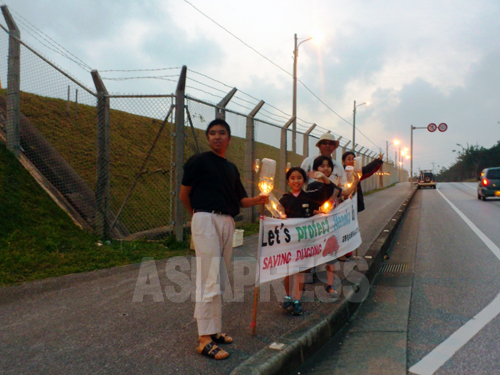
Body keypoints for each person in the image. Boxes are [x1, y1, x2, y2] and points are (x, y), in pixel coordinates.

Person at [179, 119, 268, 360]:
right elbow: (184, 194)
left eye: (221, 133)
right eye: (212, 133)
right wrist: (198, 217)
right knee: (209, 277)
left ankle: (213, 329)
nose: (217, 137)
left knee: (219, 279)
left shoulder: (231, 168)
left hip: (228, 220)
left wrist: (260, 200)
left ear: (229, 138)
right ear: (208, 138)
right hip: (206, 218)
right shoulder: (198, 161)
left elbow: (240, 200)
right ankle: (203, 339)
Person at [278, 167, 334, 315]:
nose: (296, 181)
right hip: (288, 241)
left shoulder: (309, 197)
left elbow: (328, 190)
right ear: (288, 181)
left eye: (299, 178)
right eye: (292, 178)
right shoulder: (284, 199)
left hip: (305, 242)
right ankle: (287, 296)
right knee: (288, 270)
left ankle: (297, 299)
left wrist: (323, 177)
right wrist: (279, 216)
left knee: (301, 270)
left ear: (304, 180)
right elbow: (276, 214)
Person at [308, 156, 359, 295]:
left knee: (331, 254)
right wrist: (318, 212)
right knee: (312, 251)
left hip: (330, 226)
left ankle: (330, 284)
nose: (325, 168)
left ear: (331, 170)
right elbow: (307, 206)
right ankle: (309, 274)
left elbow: (347, 193)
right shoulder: (312, 186)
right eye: (322, 166)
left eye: (328, 166)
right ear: (315, 169)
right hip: (315, 225)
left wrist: (355, 182)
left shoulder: (332, 187)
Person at [339, 151, 384, 261]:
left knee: (352, 226)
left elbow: (369, 169)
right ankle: (341, 252)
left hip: (353, 203)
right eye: (348, 159)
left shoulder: (357, 172)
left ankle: (349, 251)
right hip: (341, 204)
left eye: (353, 159)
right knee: (342, 228)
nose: (351, 161)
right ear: (343, 161)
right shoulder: (340, 172)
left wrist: (378, 161)